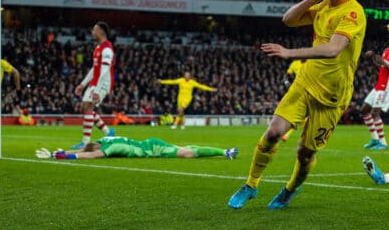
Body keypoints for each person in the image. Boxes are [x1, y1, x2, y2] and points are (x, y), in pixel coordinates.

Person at [228, 0, 366, 210]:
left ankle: (290, 189)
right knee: (273, 133)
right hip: (306, 82)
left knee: (305, 154)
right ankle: (251, 184)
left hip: (332, 97)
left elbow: (333, 49)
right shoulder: (323, 5)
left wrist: (290, 53)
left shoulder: (353, 12)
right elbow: (288, 19)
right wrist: (311, 0)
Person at [362, 31, 389, 150]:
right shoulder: (386, 50)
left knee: (375, 113)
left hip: (387, 87)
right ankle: (374, 139)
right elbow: (381, 69)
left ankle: (383, 143)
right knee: (364, 110)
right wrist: (372, 59)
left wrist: (384, 64)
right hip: (378, 85)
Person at [73, 22, 116, 149]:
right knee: (84, 108)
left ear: (101, 32)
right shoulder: (98, 48)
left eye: (94, 30)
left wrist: (97, 90)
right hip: (94, 82)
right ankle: (108, 132)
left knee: (88, 107)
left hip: (103, 83)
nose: (92, 32)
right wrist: (82, 84)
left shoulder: (107, 49)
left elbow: (105, 71)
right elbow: (94, 69)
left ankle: (85, 142)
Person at [36, 136, 238, 160]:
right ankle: (225, 151)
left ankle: (225, 153)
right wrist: (57, 152)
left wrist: (66, 157)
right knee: (186, 148)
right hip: (150, 143)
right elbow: (85, 149)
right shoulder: (107, 138)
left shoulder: (112, 145)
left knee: (187, 154)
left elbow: (92, 155)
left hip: (152, 149)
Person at [281, 59, 306, 142]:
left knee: (302, 115)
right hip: (297, 90)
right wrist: (286, 83)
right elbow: (287, 75)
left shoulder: (311, 62)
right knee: (301, 115)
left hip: (308, 90)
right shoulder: (295, 63)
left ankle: (287, 133)